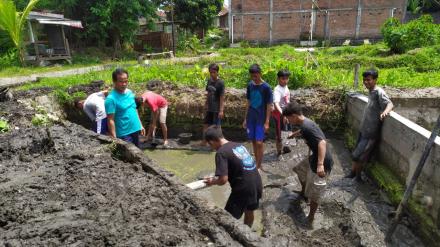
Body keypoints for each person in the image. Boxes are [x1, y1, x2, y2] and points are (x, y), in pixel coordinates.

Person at [283, 103, 333, 225]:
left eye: (288, 118)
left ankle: (310, 217)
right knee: (299, 170)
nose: (288, 121)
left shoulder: (307, 126)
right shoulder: (304, 124)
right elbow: (303, 131)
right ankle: (304, 193)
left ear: (294, 116)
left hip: (322, 161)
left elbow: (322, 143)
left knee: (315, 192)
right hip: (314, 156)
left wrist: (320, 165)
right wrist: (293, 134)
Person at [203, 126, 262, 228]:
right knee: (249, 210)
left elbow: (222, 180)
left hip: (243, 189)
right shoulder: (239, 145)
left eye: (210, 145)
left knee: (227, 219)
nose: (211, 147)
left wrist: (212, 181)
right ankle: (248, 233)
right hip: (256, 184)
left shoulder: (221, 152)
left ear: (212, 142)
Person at [346, 69, 393, 182]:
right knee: (357, 152)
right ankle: (352, 173)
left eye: (368, 80)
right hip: (364, 129)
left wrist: (385, 111)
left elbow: (390, 103)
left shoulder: (379, 92)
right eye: (364, 80)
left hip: (371, 132)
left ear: (375, 80)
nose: (366, 82)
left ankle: (358, 177)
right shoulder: (371, 91)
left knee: (361, 155)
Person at [242, 64, 273, 170]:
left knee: (259, 142)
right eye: (252, 76)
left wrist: (267, 121)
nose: (254, 78)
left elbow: (269, 105)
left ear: (260, 73)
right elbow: (248, 102)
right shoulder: (250, 85)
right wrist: (245, 118)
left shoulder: (267, 88)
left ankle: (259, 165)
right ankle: (256, 162)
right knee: (254, 141)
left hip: (261, 118)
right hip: (251, 117)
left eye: (256, 76)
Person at [105, 68, 145, 147]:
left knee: (139, 154)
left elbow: (134, 109)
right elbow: (110, 120)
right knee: (130, 156)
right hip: (124, 134)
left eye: (126, 81)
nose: (124, 84)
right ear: (114, 81)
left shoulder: (130, 92)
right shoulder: (111, 99)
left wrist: (140, 125)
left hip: (135, 129)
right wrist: (114, 138)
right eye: (121, 81)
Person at [200, 63, 225, 146]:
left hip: (216, 109)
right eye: (211, 72)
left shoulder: (221, 83)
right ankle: (204, 141)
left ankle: (219, 142)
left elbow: (222, 97)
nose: (212, 74)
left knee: (217, 126)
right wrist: (206, 104)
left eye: (214, 72)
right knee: (205, 124)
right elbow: (208, 93)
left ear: (217, 72)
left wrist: (221, 110)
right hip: (209, 107)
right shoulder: (209, 81)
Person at [272, 69, 291, 157]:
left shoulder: (285, 87)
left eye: (287, 78)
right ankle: (279, 151)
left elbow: (287, 101)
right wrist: (283, 115)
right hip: (279, 114)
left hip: (286, 112)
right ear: (278, 79)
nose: (285, 80)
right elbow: (276, 104)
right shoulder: (277, 90)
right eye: (283, 79)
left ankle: (286, 147)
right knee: (279, 134)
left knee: (288, 130)